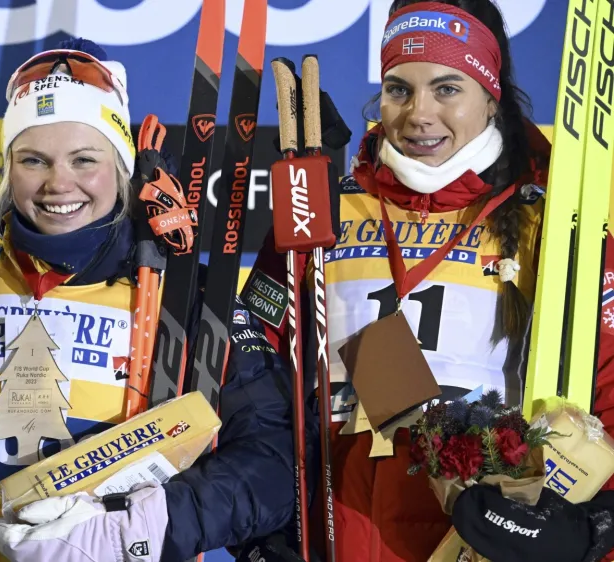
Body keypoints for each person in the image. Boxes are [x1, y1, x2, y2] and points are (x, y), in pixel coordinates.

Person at [239, 1, 614, 561]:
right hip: (338, 536)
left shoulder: (553, 226)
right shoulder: (320, 210)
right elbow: (256, 379)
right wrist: (258, 519)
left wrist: (593, 532)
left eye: (446, 89)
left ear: (491, 97)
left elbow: (606, 393)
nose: (418, 113)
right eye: (398, 88)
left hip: (476, 543)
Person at [0, 38, 302, 562]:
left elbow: (273, 463)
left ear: (121, 166)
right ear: (8, 168)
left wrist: (144, 528)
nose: (58, 183)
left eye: (84, 159)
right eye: (34, 159)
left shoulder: (187, 296)